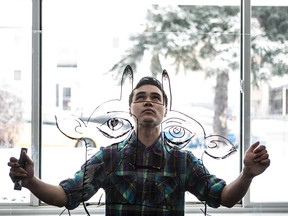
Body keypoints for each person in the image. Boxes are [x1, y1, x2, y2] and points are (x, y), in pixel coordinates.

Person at [8, 76, 270, 216]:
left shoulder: (184, 162)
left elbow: (223, 198)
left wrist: (247, 174)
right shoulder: (108, 158)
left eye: (155, 98)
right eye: (141, 97)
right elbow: (66, 196)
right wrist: (31, 181)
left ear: (164, 110)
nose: (148, 101)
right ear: (131, 108)